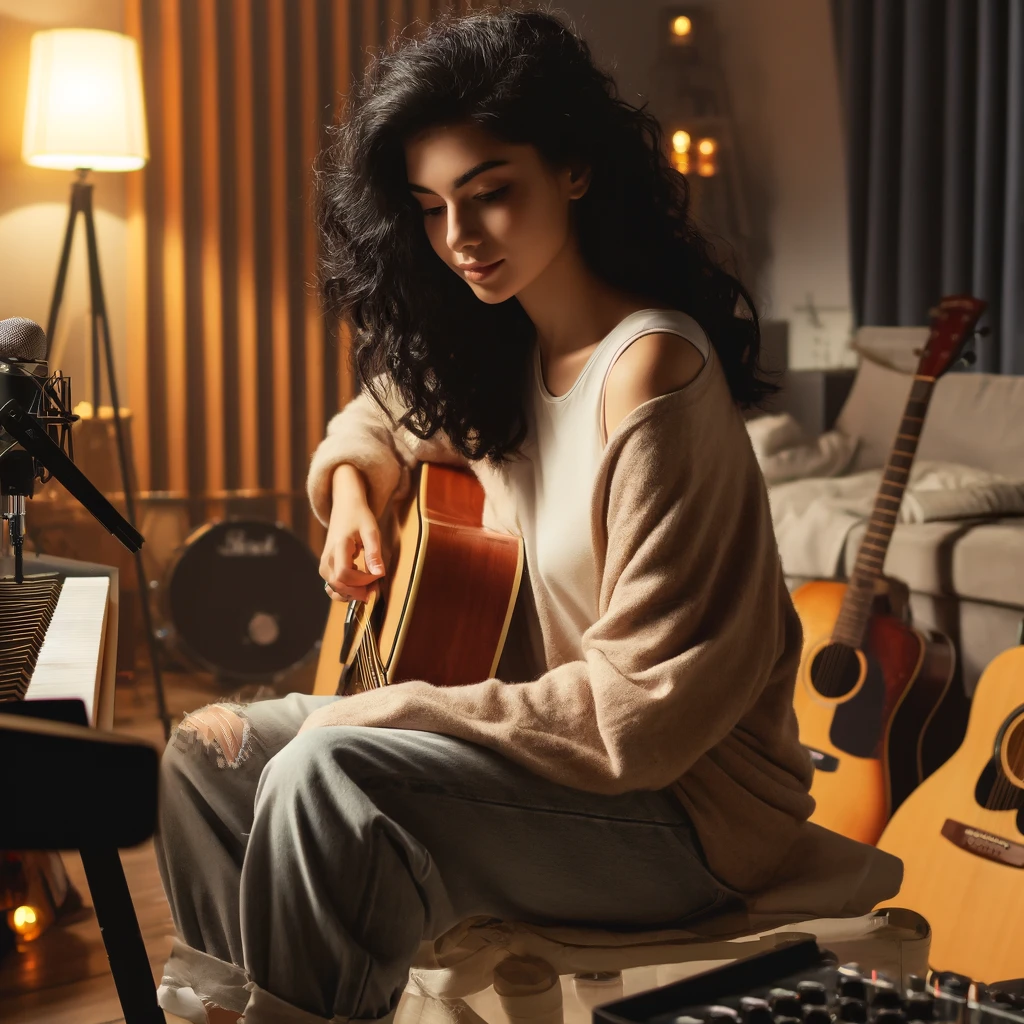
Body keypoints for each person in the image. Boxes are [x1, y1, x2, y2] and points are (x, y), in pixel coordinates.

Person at [154, 8, 894, 1024]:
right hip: (580, 773)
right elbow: (371, 419)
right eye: (429, 207)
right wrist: (353, 497)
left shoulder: (651, 374)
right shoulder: (504, 354)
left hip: (692, 813)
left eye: (490, 195)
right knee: (210, 750)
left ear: (574, 171)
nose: (459, 239)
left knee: (328, 770)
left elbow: (639, 719)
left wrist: (387, 707)